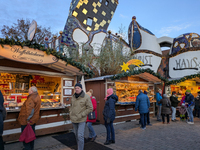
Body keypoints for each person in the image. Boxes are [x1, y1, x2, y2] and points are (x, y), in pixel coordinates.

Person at [69, 83, 93, 150]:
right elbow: (71, 106)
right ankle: (79, 147)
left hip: (81, 119)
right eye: (75, 88)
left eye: (78, 88)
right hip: (73, 119)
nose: (76, 89)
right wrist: (70, 113)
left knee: (80, 136)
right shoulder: (73, 96)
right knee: (76, 135)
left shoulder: (86, 97)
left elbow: (90, 108)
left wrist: (82, 114)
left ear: (81, 89)